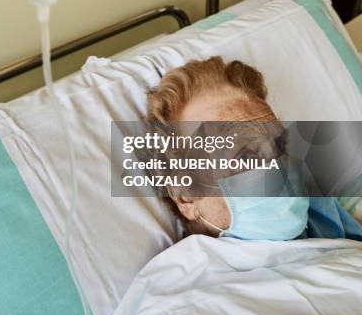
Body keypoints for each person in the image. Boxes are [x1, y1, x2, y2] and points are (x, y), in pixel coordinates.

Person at [146, 56, 362, 241]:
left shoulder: (325, 218)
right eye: (246, 156)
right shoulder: (181, 283)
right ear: (186, 198)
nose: (278, 169)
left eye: (279, 146)